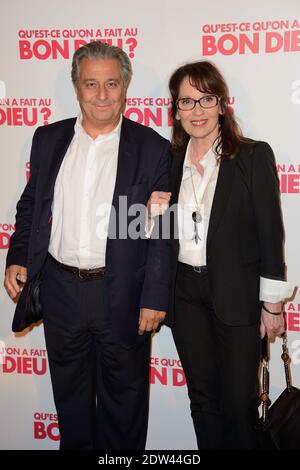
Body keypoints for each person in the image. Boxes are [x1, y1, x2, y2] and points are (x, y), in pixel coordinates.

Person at [4, 41, 171, 450]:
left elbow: (160, 231)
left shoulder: (151, 148)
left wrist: (153, 295)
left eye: (111, 83)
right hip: (60, 292)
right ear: (76, 87)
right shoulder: (48, 139)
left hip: (122, 294)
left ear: (125, 86)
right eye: (90, 84)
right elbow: (31, 205)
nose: (101, 95)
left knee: (124, 406)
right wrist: (18, 257)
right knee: (72, 406)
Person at [160, 61, 293, 449]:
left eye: (206, 99)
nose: (197, 110)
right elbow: (150, 232)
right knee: (202, 401)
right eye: (187, 101)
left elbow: (272, 233)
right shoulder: (167, 161)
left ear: (221, 104)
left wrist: (272, 306)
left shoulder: (252, 157)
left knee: (238, 404)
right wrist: (152, 214)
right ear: (176, 110)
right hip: (185, 294)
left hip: (237, 295)